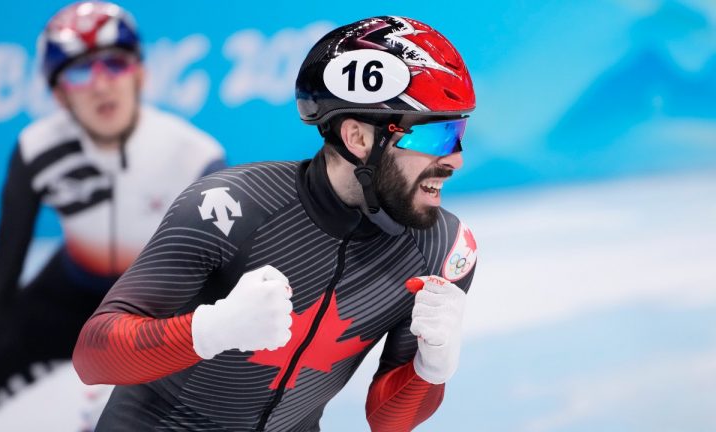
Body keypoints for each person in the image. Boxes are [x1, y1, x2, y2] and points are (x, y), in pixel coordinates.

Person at [73, 15, 477, 432]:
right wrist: (210, 329)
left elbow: (388, 421)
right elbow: (93, 356)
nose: (455, 158)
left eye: (459, 130)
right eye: (435, 136)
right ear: (357, 138)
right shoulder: (231, 207)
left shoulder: (442, 250)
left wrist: (431, 368)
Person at [0, 1, 226, 429]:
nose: (101, 85)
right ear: (59, 94)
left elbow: (219, 281)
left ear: (141, 74)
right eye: (81, 72)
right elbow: (2, 273)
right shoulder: (36, 150)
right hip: (68, 293)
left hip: (154, 305)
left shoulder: (196, 157)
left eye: (115, 65)